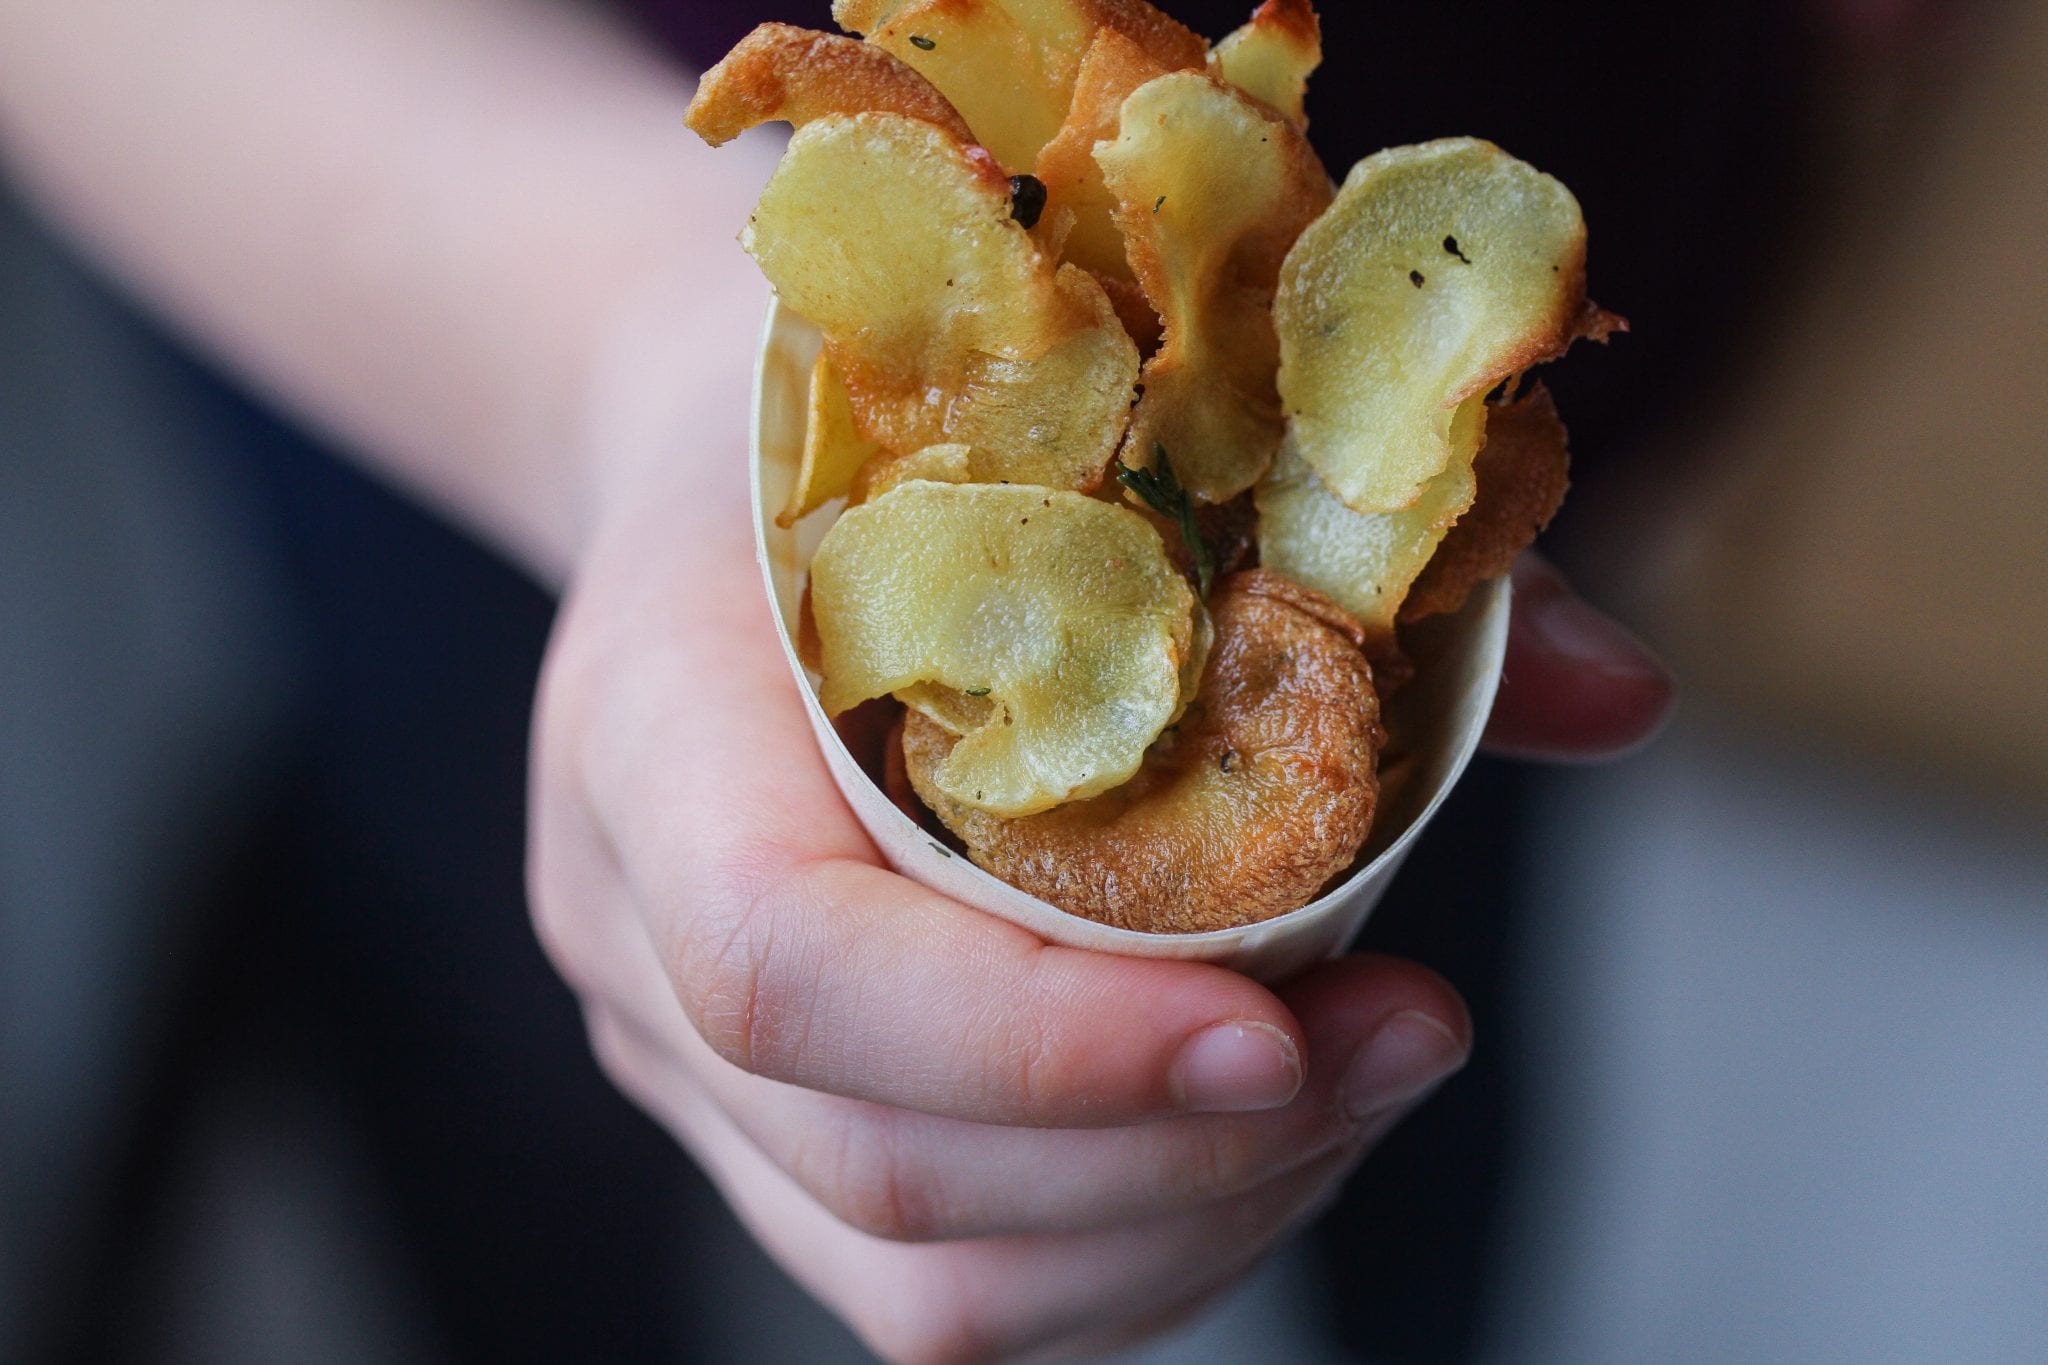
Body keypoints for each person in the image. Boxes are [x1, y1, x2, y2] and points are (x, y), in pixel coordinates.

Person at [0, 1, 1670, 1358]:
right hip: (426, 293)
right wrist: (625, 355)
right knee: (523, 1072)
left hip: (1539, 294)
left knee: (1430, 1051)